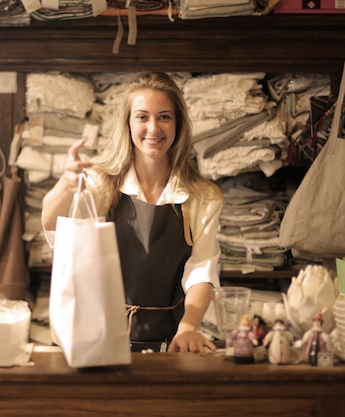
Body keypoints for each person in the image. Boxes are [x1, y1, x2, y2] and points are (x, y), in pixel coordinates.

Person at [41, 72, 223, 353]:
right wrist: (64, 185)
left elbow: (201, 269)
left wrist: (189, 326)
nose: (153, 128)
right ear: (127, 123)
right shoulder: (102, 183)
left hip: (169, 339)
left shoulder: (202, 196)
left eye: (164, 116)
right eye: (142, 117)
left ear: (179, 124)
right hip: (98, 336)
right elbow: (53, 225)